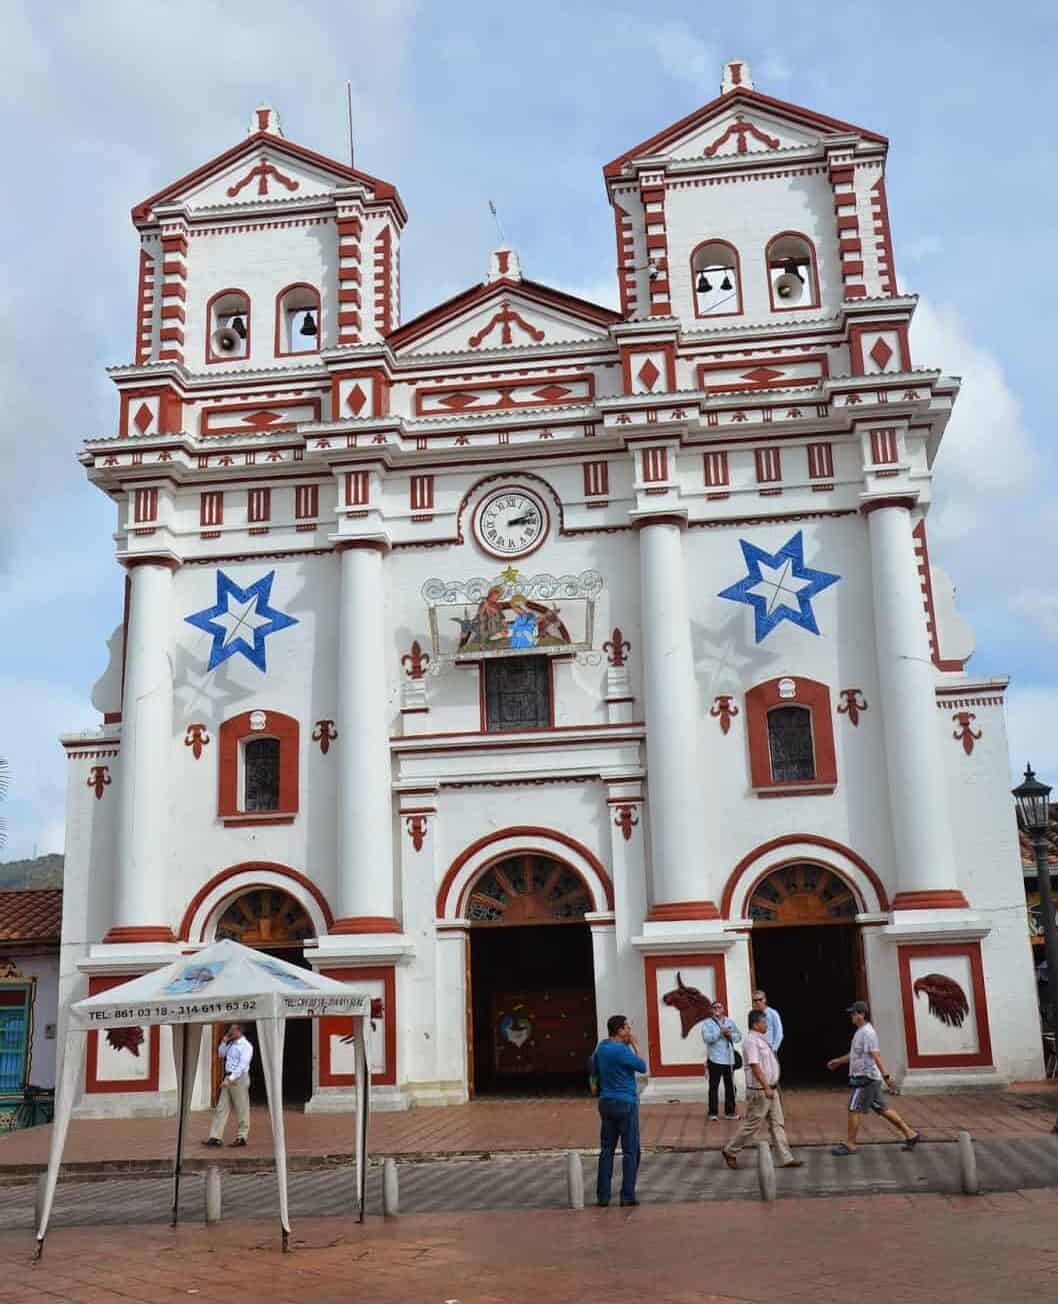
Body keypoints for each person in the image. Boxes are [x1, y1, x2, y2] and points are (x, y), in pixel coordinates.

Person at [826, 1001, 920, 1155]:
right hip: (867, 1078)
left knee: (853, 1108)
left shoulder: (868, 1033)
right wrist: (838, 1061)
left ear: (861, 1014)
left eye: (854, 1013)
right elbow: (855, 1055)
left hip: (866, 1079)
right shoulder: (860, 1032)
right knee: (883, 1109)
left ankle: (850, 1144)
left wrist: (887, 1076)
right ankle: (911, 1134)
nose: (852, 1016)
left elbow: (875, 1055)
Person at [721, 1009, 802, 1170]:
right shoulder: (751, 1041)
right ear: (756, 1024)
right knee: (753, 1123)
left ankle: (785, 1157)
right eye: (764, 1022)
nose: (766, 1025)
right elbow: (755, 1066)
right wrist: (766, 1086)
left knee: (777, 1123)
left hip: (770, 1088)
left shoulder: (761, 1039)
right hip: (760, 1090)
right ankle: (730, 1150)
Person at [592, 1014, 647, 1207]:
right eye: (627, 1028)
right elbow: (642, 1067)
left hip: (606, 1102)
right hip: (625, 1102)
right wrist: (634, 1046)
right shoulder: (622, 1051)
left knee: (606, 1150)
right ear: (620, 1030)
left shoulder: (601, 1048)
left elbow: (593, 1069)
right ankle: (627, 1195)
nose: (630, 1031)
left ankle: (603, 1196)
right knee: (631, 1151)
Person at [203, 1023, 254, 1148]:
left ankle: (242, 1137)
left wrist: (230, 1079)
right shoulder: (231, 1043)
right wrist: (224, 1041)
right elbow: (221, 1054)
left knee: (242, 1108)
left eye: (232, 1031)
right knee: (221, 1108)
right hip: (229, 1077)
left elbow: (242, 1065)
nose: (229, 1032)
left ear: (239, 1031)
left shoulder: (246, 1046)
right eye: (229, 1030)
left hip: (238, 1078)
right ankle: (215, 1137)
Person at [701, 1001, 742, 1121]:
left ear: (723, 1009)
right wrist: (719, 1033)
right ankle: (712, 1112)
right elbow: (707, 1038)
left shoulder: (730, 1022)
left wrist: (730, 1035)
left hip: (729, 1059)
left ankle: (730, 1112)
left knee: (730, 1086)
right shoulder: (707, 1024)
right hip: (715, 1059)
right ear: (711, 1010)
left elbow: (738, 1036)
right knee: (714, 1086)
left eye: (719, 1007)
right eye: (715, 1007)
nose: (717, 1009)